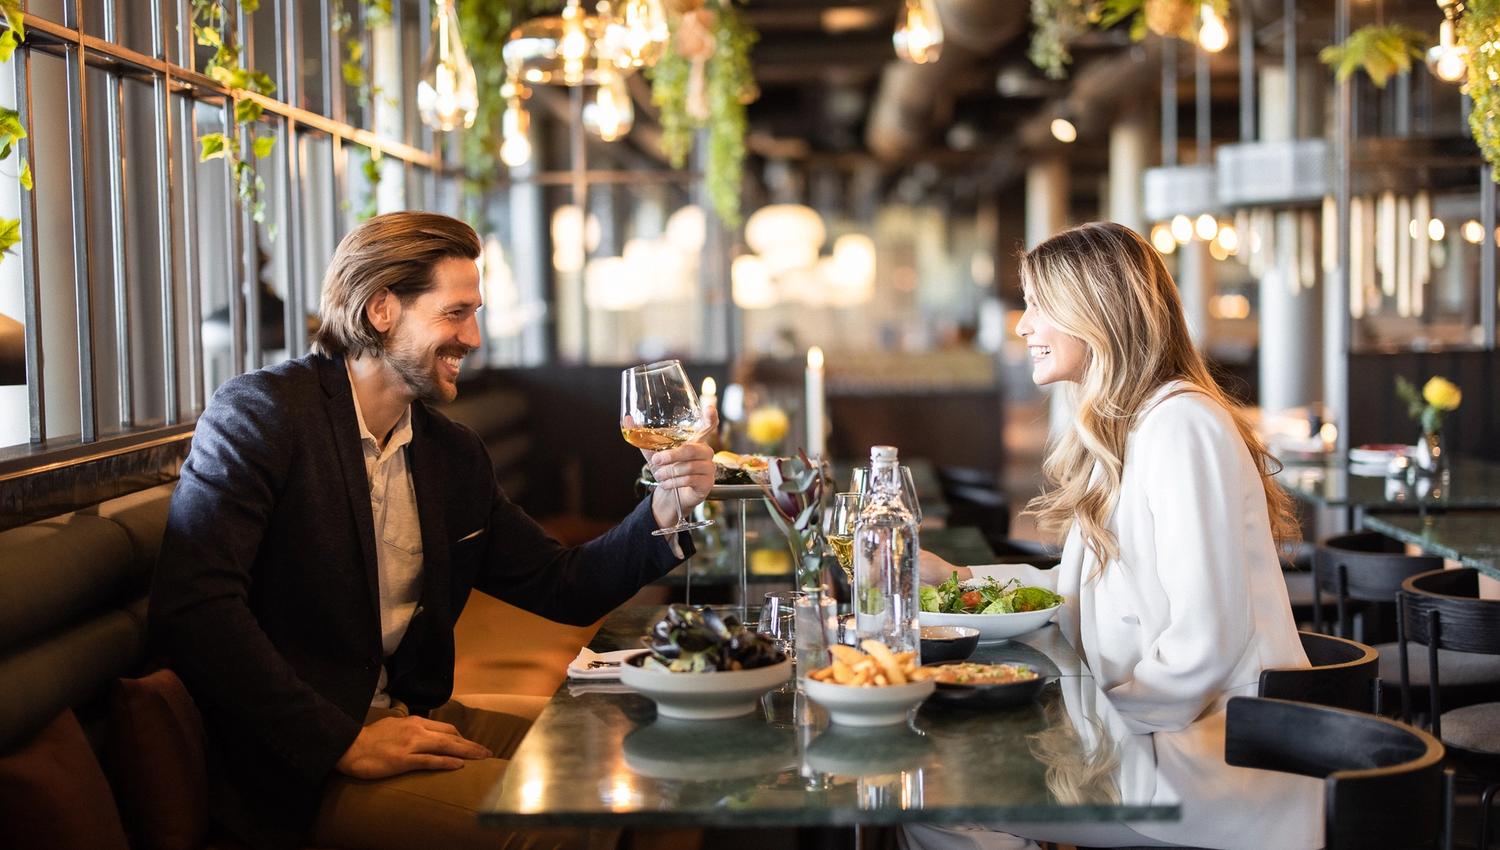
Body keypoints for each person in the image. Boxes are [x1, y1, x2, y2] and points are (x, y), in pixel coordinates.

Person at [150, 212, 715, 850]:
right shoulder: (264, 415)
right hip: (296, 768)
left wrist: (668, 505)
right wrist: (345, 741)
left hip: (412, 717)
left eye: (475, 313)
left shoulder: (449, 453)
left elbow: (563, 585)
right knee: (559, 821)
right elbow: (195, 609)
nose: (473, 337)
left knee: (665, 760)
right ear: (381, 309)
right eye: (455, 313)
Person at [905, 222, 1319, 850]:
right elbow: (1077, 590)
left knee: (939, 798)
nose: (1023, 325)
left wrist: (1077, 731)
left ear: (1095, 312)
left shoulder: (1182, 425)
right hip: (1160, 744)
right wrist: (961, 580)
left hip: (1210, 770)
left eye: (1040, 304)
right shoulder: (1132, 428)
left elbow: (1204, 642)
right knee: (939, 777)